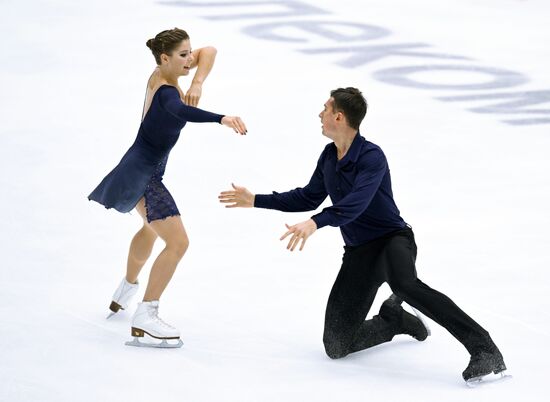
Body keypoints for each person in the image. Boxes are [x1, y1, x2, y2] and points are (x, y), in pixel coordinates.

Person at [218, 87, 506, 382]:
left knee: (405, 284)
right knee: (336, 345)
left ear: (339, 117)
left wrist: (316, 223)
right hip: (359, 253)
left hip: (392, 240)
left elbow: (354, 206)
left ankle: (484, 349)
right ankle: (393, 321)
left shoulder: (372, 157)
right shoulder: (329, 156)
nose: (320, 114)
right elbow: (308, 196)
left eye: (325, 109)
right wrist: (256, 199)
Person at [88, 28, 247, 348]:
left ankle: (127, 288)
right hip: (142, 175)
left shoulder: (161, 72)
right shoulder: (166, 93)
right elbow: (181, 110)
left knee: (149, 229)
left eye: (190, 52)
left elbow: (211, 50)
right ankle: (146, 314)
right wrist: (221, 118)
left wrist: (198, 81)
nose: (191, 59)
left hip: (140, 166)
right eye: (183, 55)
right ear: (165, 58)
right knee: (178, 243)